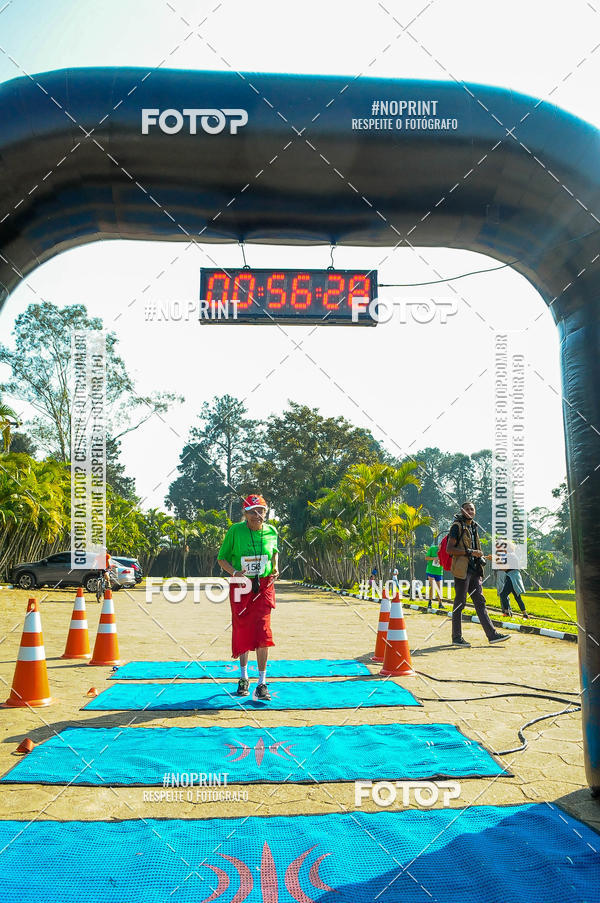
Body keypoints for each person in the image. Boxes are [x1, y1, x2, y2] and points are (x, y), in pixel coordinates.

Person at [217, 494, 279, 701]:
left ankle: (262, 682)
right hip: (241, 586)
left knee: (263, 632)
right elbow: (222, 558)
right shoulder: (235, 531)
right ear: (244, 514)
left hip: (263, 586)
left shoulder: (271, 531)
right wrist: (235, 573)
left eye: (261, 511)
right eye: (252, 511)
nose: (257, 515)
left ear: (266, 512)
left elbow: (275, 552)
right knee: (242, 630)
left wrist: (276, 566)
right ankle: (243, 677)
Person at [446, 501, 510, 647]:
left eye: (472, 509)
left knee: (480, 603)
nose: (470, 511)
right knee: (460, 603)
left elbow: (473, 547)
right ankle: (456, 637)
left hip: (475, 570)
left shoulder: (474, 526)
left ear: (475, 512)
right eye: (467, 509)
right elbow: (450, 549)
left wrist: (479, 555)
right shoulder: (457, 526)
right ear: (462, 511)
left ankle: (492, 635)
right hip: (462, 571)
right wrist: (470, 552)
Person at [496, 542, 529, 618]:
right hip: (515, 576)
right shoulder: (513, 555)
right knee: (517, 596)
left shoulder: (509, 555)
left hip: (511, 577)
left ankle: (507, 613)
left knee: (503, 595)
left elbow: (505, 568)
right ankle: (525, 614)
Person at [425, 534, 447, 611]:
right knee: (433, 585)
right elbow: (426, 558)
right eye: (442, 545)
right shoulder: (432, 548)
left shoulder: (445, 552)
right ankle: (430, 603)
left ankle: (440, 604)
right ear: (439, 544)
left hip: (439, 572)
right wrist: (434, 558)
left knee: (439, 588)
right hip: (430, 571)